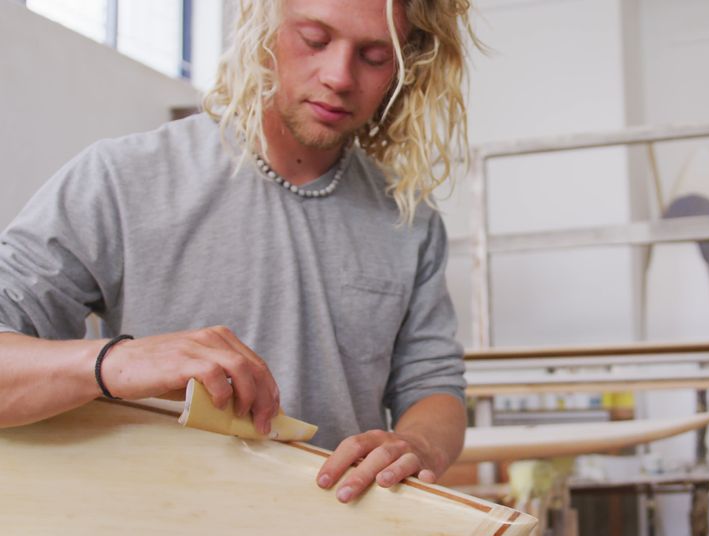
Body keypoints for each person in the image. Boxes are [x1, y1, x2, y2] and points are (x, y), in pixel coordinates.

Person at [0, 0, 477, 505]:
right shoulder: (120, 179)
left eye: (375, 56)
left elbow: (432, 383)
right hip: (158, 533)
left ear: (407, 66)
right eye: (314, 40)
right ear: (261, 26)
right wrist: (112, 363)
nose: (339, 75)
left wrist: (419, 443)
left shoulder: (410, 220)